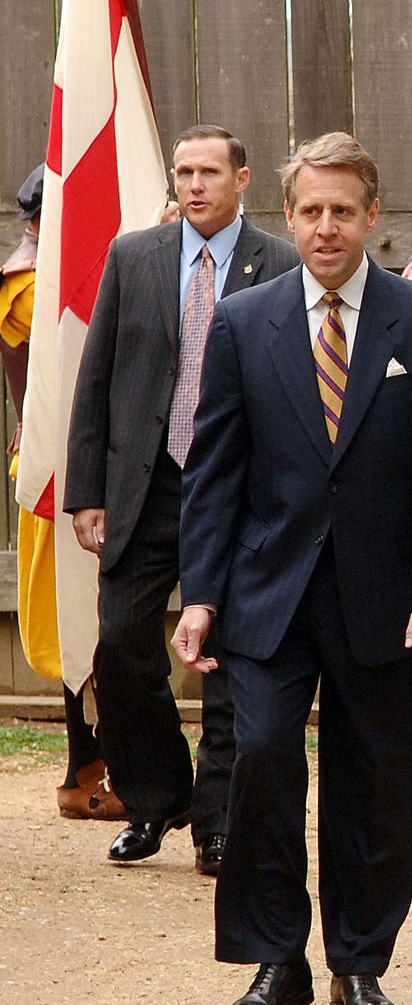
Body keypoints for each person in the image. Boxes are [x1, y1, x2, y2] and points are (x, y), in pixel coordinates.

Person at [173, 131, 412, 1005]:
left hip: (391, 600)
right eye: (309, 211)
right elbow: (215, 471)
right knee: (265, 761)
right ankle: (277, 959)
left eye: (342, 211)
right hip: (266, 594)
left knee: (377, 779)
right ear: (288, 215)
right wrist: (201, 594)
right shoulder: (244, 322)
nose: (325, 228)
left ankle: (358, 960)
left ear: (372, 216)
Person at [65, 126, 300, 873]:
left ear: (243, 180)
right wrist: (85, 491)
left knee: (230, 658)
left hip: (239, 490)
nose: (194, 184)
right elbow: (96, 374)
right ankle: (156, 795)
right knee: (123, 644)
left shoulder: (282, 265)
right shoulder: (134, 257)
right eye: (183, 172)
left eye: (209, 172)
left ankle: (219, 820)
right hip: (145, 485)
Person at [6, 168, 122, 820]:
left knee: (107, 615)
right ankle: (86, 768)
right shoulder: (27, 284)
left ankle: (97, 762)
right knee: (78, 616)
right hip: (59, 469)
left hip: (92, 463)